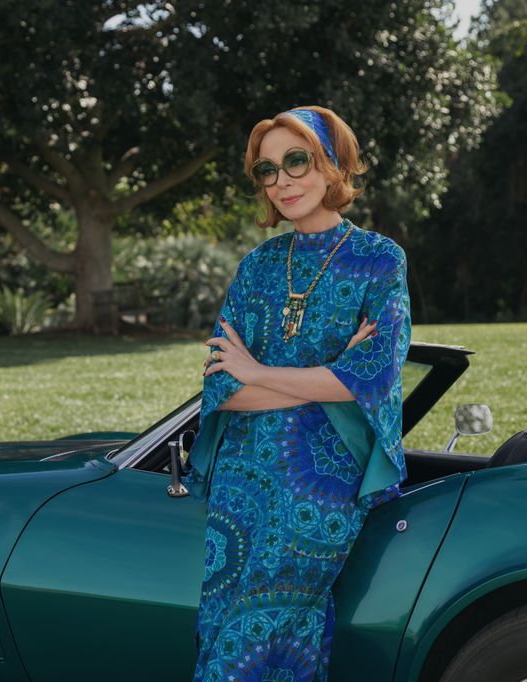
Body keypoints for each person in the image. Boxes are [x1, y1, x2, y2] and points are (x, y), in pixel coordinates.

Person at [184, 105, 411, 681]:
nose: (281, 180)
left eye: (296, 161)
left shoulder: (379, 260)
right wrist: (329, 379)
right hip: (240, 483)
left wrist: (257, 370)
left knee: (266, 628)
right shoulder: (257, 267)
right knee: (224, 622)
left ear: (332, 163)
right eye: (267, 170)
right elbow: (221, 390)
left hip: (321, 483)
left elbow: (371, 380)